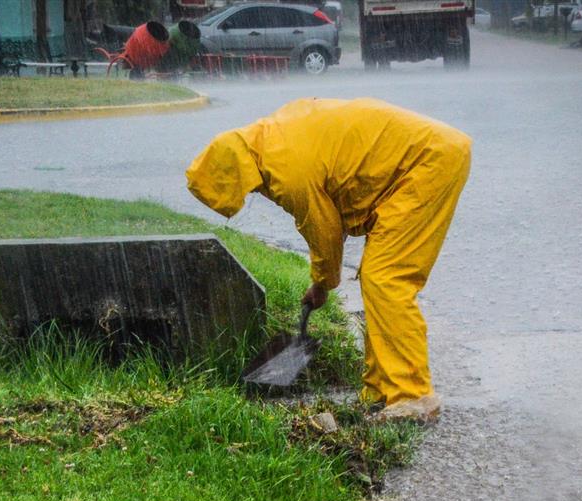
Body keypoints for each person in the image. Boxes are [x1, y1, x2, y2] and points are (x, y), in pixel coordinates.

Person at [185, 97, 472, 421]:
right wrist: (323, 279)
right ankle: (381, 388)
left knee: (387, 279)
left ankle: (412, 395)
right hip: (423, 156)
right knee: (378, 280)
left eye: (243, 189)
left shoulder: (286, 170)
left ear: (235, 172)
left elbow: (324, 230)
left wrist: (322, 284)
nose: (250, 193)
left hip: (426, 162)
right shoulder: (273, 137)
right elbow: (338, 181)